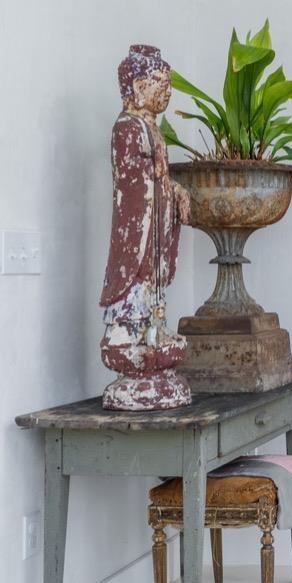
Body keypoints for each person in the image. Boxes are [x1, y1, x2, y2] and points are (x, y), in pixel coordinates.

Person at [99, 45, 193, 409]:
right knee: (137, 284)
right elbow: (132, 181)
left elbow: (161, 179)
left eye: (168, 85)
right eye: (159, 83)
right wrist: (157, 181)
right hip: (137, 232)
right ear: (138, 87)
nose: (167, 91)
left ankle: (152, 331)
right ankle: (127, 332)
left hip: (155, 231)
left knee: (155, 290)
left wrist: (175, 191)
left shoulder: (153, 129)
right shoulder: (127, 128)